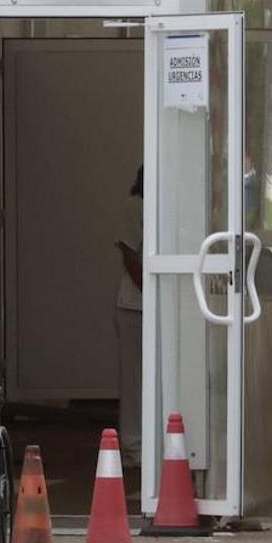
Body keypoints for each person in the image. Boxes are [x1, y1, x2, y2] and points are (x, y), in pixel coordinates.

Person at [115, 166, 144, 467]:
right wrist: (151, 294)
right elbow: (129, 253)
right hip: (135, 306)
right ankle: (134, 447)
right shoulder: (134, 206)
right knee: (135, 379)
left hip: (157, 305)